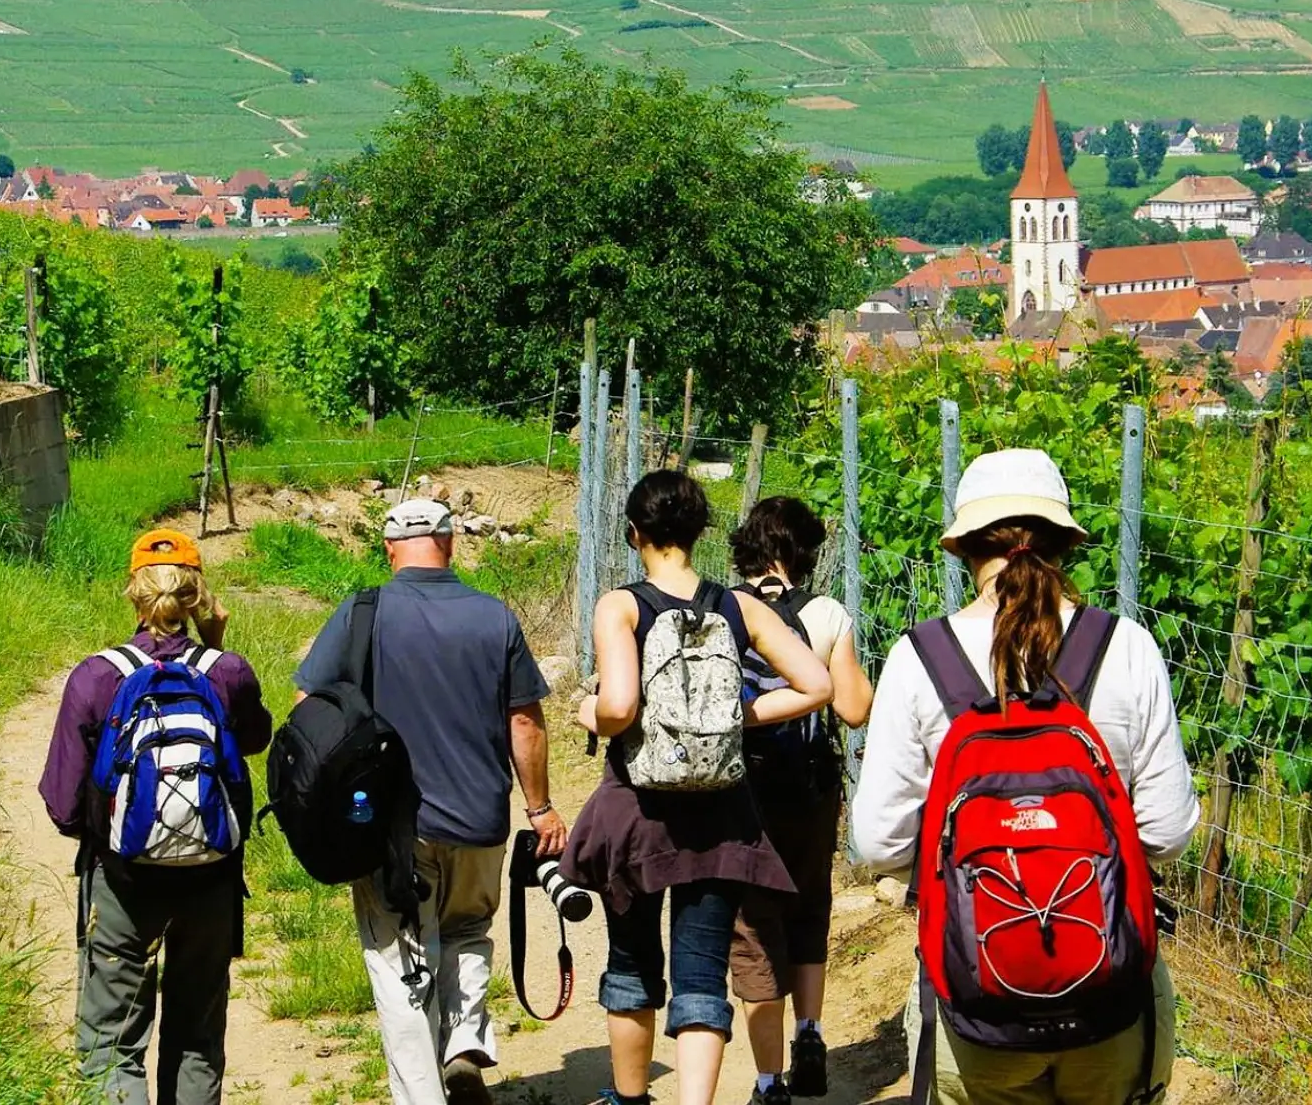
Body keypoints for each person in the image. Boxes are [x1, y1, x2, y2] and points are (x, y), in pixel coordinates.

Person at [851, 449, 1199, 1105]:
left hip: (974, 996)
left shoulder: (921, 659)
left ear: (962, 550)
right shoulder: (1126, 648)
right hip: (1111, 990)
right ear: (1067, 543)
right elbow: (1170, 831)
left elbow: (876, 842)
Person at [561, 471, 834, 1105]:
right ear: (699, 532)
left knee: (631, 962)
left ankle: (630, 1100)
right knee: (703, 969)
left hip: (640, 809)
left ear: (634, 534)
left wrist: (587, 710)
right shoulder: (737, 606)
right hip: (721, 815)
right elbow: (816, 685)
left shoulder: (622, 605)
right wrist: (739, 716)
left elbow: (621, 705)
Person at [292, 496, 563, 1105]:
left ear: (389, 549)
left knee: (398, 962)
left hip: (392, 827)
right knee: (468, 929)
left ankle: (422, 1097)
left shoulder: (365, 611)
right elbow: (525, 722)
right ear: (450, 543)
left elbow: (309, 711)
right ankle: (464, 1045)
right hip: (481, 818)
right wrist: (540, 808)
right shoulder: (494, 617)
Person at [40, 528, 275, 1105]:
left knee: (111, 1039)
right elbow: (253, 739)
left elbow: (64, 803)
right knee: (196, 1035)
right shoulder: (227, 672)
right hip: (211, 878)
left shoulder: (96, 676)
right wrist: (218, 643)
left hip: (123, 881)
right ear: (199, 596)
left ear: (134, 594)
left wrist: (116, 830)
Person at [726, 497, 875, 1105]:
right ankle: (810, 1033)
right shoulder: (825, 612)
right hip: (810, 792)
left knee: (753, 927)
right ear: (806, 552)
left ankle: (768, 1079)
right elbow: (854, 707)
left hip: (741, 791)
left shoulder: (720, 607)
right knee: (810, 905)